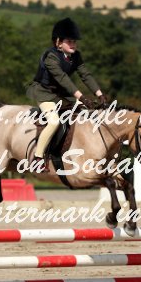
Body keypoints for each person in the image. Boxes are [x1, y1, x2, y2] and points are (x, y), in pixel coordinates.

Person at [26, 17, 105, 173]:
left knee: (87, 113)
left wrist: (100, 94)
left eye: (74, 41)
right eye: (69, 41)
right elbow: (63, 79)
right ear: (58, 42)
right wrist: (82, 97)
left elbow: (85, 75)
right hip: (44, 93)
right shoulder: (50, 57)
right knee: (54, 122)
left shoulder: (76, 56)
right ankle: (38, 158)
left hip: (61, 95)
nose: (73, 44)